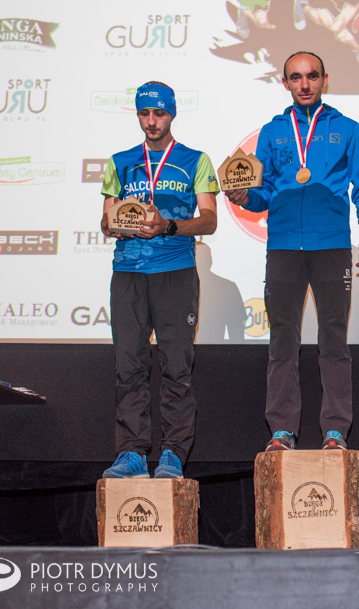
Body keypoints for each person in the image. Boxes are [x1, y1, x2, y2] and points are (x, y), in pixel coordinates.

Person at [225, 51, 359, 452]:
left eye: (312, 76)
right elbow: (262, 194)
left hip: (332, 246)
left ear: (324, 80)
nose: (304, 84)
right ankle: (281, 430)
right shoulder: (272, 132)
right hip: (283, 247)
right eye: (296, 77)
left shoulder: (347, 128)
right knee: (282, 341)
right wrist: (244, 196)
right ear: (285, 83)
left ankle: (335, 431)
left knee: (334, 340)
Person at [100, 81, 220, 479]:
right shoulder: (120, 162)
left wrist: (168, 225)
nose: (152, 121)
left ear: (172, 114)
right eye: (144, 113)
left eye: (159, 113)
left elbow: (209, 220)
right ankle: (131, 453)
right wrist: (117, 224)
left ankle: (173, 453)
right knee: (128, 366)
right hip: (128, 274)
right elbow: (106, 220)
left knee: (176, 368)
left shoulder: (195, 160)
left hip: (175, 273)